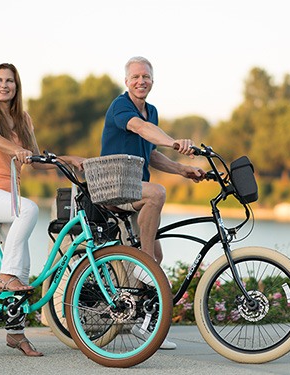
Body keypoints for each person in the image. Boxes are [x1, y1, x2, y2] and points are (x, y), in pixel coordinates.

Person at [0, 63, 84, 357]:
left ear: (17, 86)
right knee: (28, 210)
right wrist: (14, 150)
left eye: (10, 81)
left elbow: (37, 159)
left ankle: (15, 335)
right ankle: (4, 277)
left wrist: (67, 160)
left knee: (24, 267)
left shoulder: (23, 118)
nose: (4, 85)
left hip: (7, 197)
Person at [101, 56, 205, 350]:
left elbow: (151, 154)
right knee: (157, 193)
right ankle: (142, 263)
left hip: (135, 190)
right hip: (115, 185)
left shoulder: (153, 111)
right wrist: (173, 141)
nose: (140, 81)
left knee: (156, 257)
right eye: (135, 77)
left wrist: (183, 169)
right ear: (126, 81)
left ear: (153, 81)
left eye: (145, 76)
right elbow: (140, 129)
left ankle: (137, 325)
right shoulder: (121, 106)